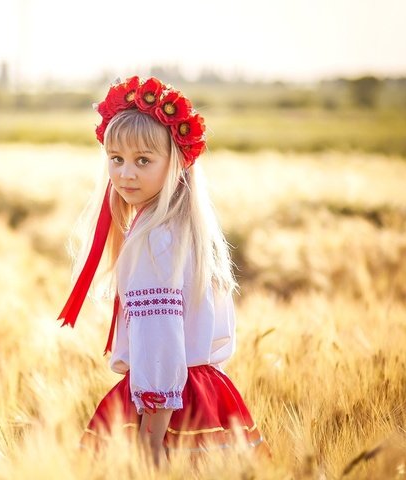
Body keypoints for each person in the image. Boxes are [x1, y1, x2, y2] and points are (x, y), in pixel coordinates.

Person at [56, 75, 272, 467]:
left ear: (175, 162)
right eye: (116, 159)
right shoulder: (184, 229)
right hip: (208, 397)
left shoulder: (153, 240)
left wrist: (150, 445)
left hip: (163, 412)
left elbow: (160, 343)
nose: (125, 174)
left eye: (143, 160)